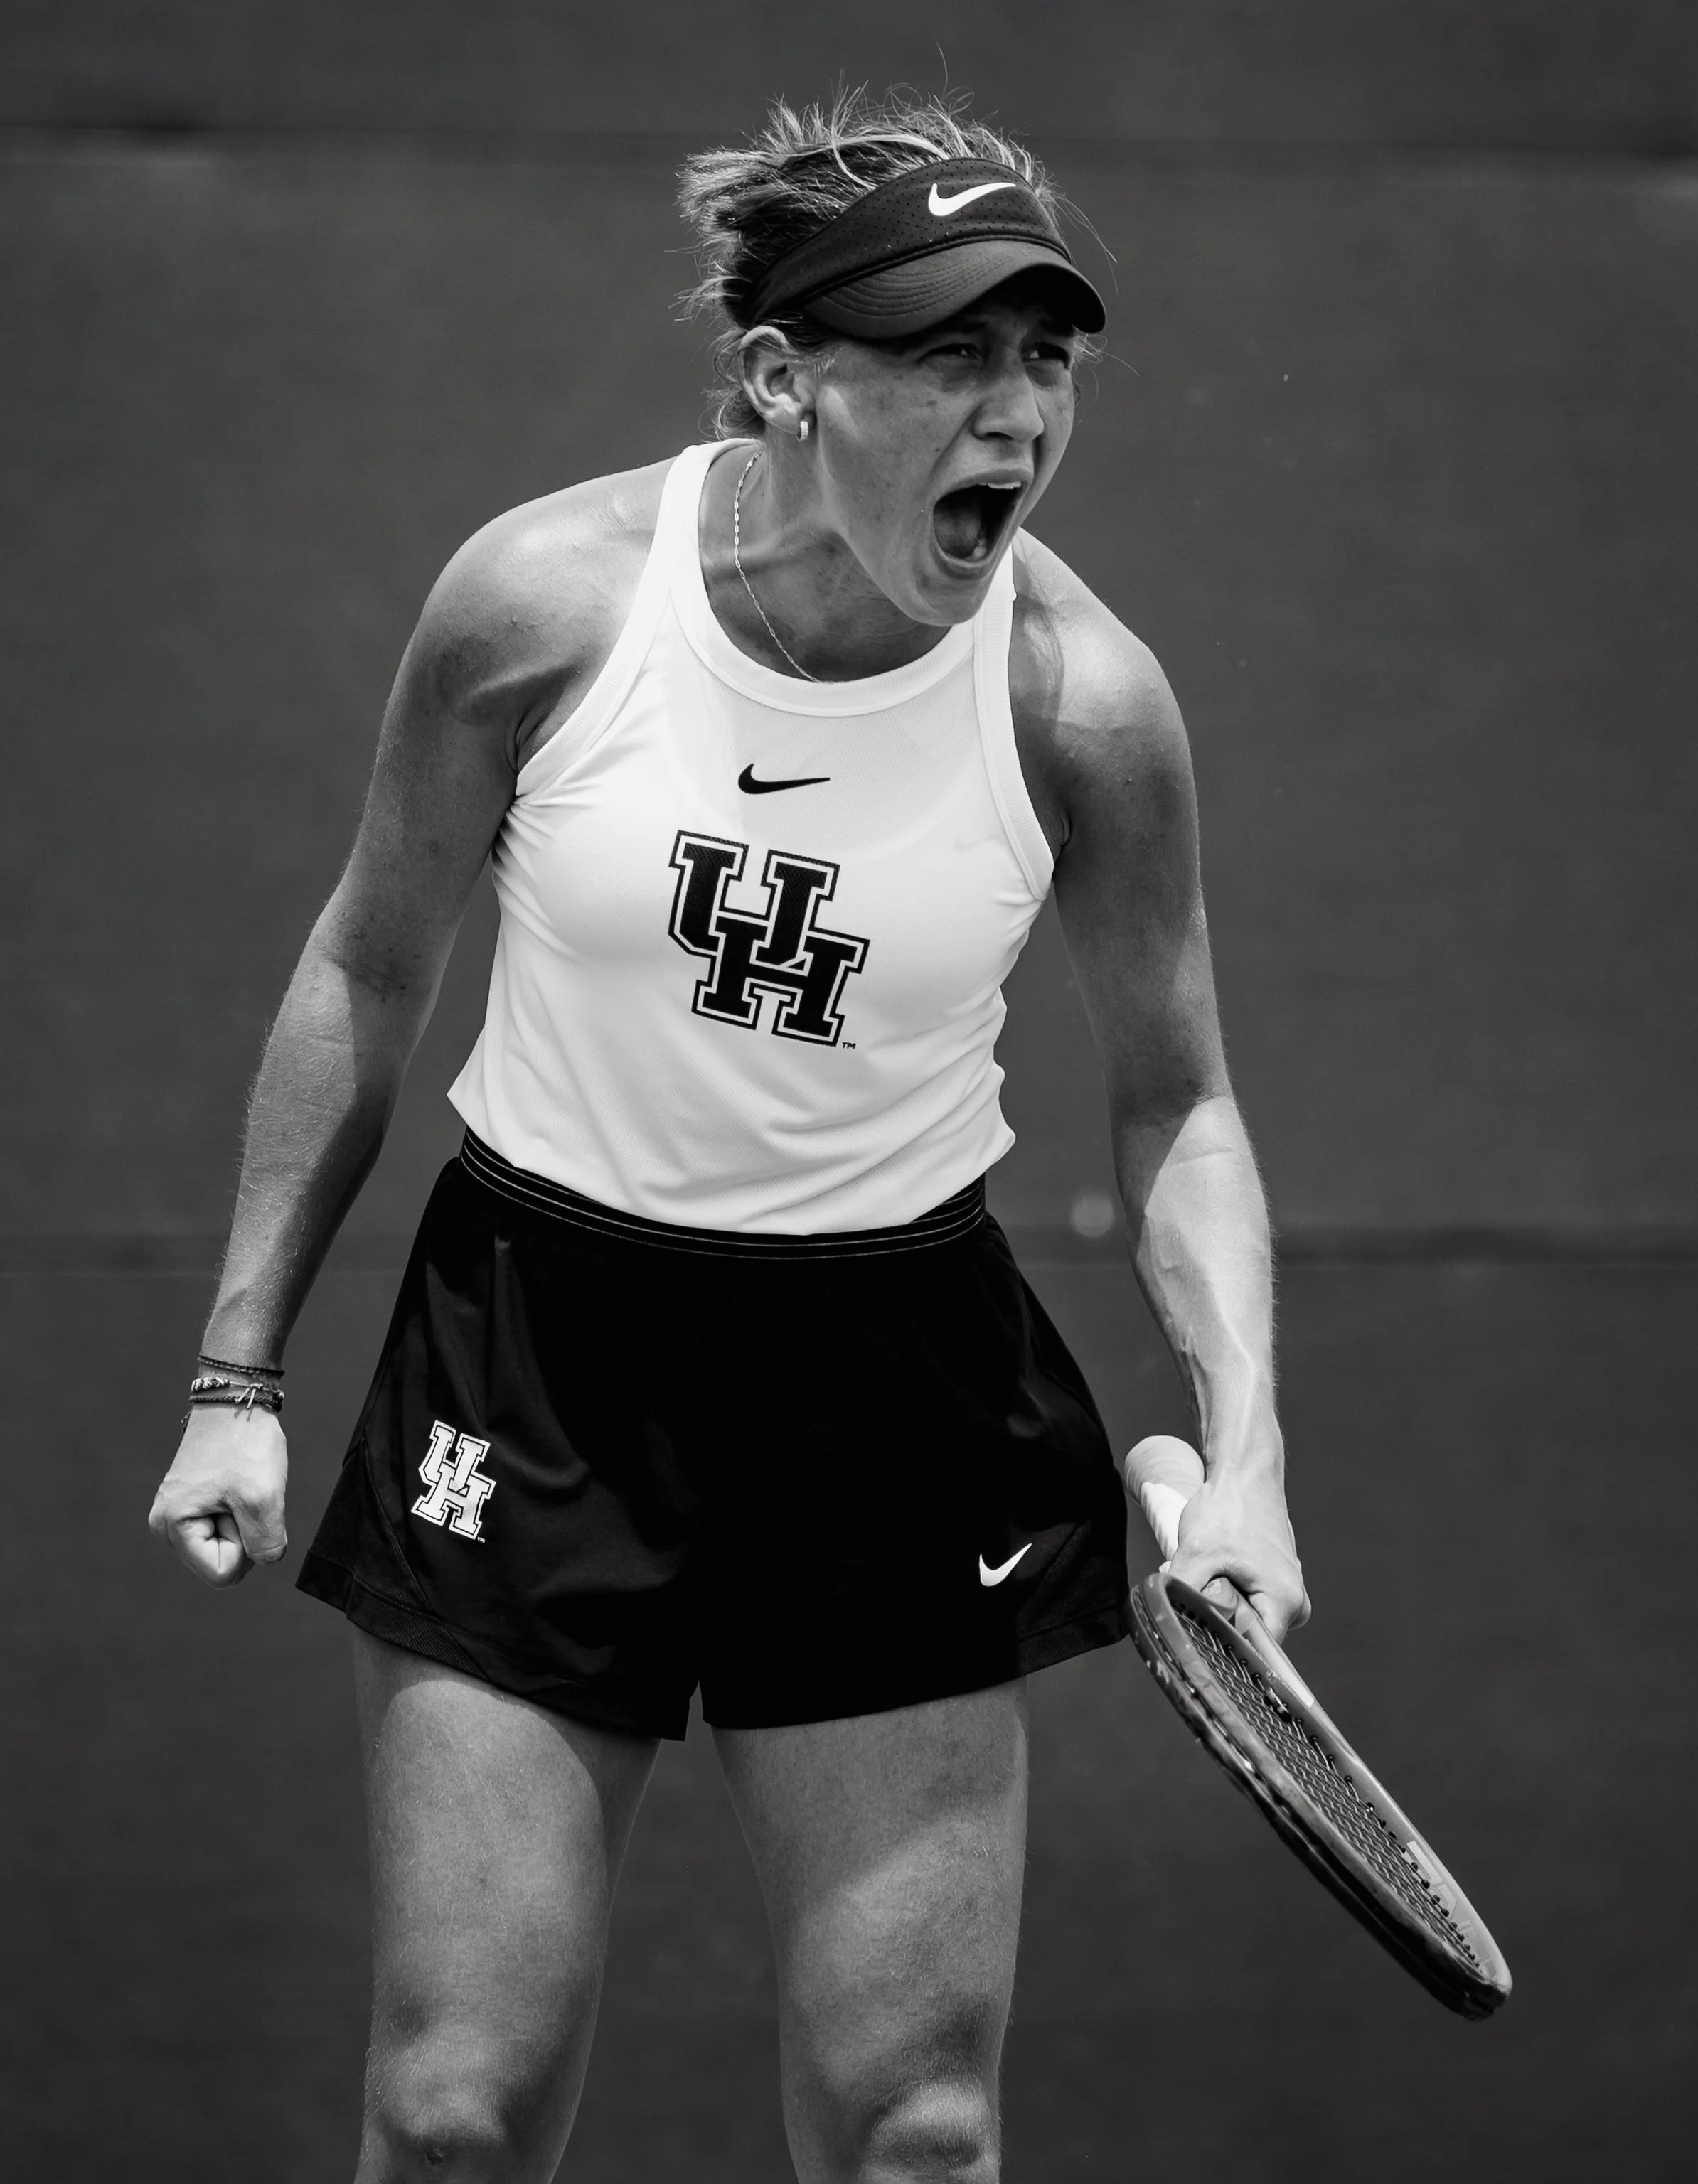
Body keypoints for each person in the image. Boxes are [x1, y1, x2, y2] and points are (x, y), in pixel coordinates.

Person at [149, 90, 1308, 2184]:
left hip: (893, 1384)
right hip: (539, 1342)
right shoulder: (541, 605)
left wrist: (1246, 1456)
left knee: (918, 2136)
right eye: (949, 354)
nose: (1014, 412)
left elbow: (1181, 1104)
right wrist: (239, 1377)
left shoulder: (1084, 705)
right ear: (783, 378)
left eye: (1042, 358)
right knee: (450, 2114)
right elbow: (364, 969)